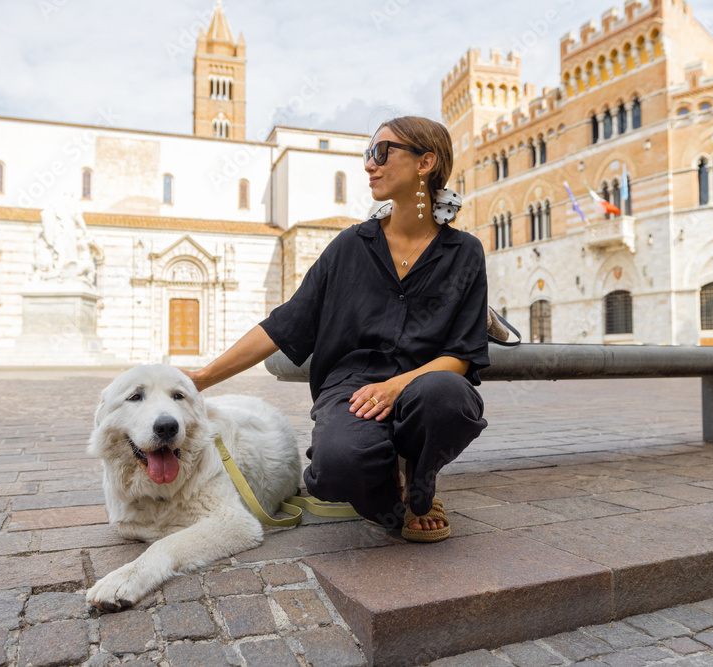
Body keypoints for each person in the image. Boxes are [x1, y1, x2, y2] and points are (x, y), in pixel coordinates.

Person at [183, 116, 488, 542]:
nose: (369, 165)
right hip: (352, 386)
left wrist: (397, 386)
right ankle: (386, 492)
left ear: (426, 163)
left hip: (426, 385)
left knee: (444, 395)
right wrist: (201, 379)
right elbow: (286, 322)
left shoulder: (465, 253)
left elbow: (463, 352)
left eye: (383, 152)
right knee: (335, 470)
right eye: (368, 154)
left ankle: (421, 482)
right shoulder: (350, 246)